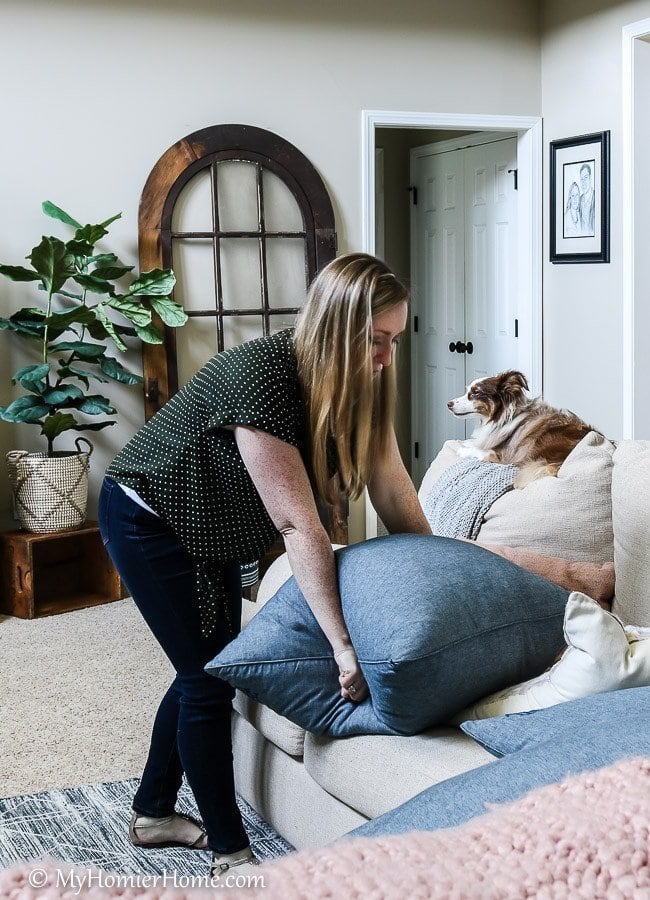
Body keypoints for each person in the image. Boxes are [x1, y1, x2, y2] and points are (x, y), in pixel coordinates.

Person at [98, 252, 432, 877]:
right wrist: (341, 645)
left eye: (394, 341)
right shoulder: (263, 378)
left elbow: (389, 483)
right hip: (150, 515)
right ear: (336, 330)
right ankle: (232, 853)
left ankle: (151, 812)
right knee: (206, 679)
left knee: (208, 664)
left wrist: (440, 568)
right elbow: (299, 525)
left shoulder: (361, 383)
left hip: (214, 523)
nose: (387, 359)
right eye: (376, 341)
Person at [578, 162, 595, 236]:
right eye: (581, 179)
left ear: (590, 178)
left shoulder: (597, 197)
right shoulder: (579, 200)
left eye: (586, 177)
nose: (583, 182)